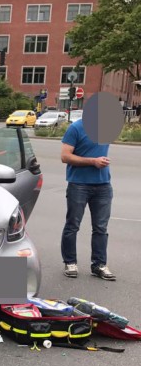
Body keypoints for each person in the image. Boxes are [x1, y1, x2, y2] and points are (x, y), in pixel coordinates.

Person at [60, 115, 115, 280]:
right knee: (72, 225)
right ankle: (70, 262)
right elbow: (65, 156)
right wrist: (93, 161)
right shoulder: (75, 128)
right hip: (79, 184)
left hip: (103, 185)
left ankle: (99, 265)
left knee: (101, 228)